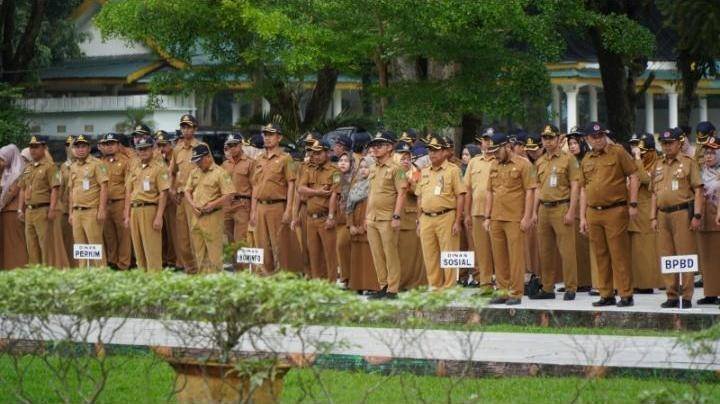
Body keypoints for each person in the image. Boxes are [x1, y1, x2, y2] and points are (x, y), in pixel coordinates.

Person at [579, 122, 639, 307]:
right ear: (587, 139)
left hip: (615, 209)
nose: (598, 139)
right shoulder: (586, 158)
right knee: (600, 254)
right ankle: (606, 294)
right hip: (594, 212)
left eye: (600, 136)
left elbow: (634, 175)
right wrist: (582, 217)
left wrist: (634, 203)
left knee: (618, 254)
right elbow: (583, 189)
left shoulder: (618, 152)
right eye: (594, 137)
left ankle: (626, 294)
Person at [651, 129, 704, 309]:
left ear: (679, 144)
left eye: (670, 142)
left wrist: (697, 215)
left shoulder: (689, 163)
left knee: (685, 254)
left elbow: (698, 189)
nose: (667, 146)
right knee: (666, 255)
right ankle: (672, 294)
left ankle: (687, 295)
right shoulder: (657, 164)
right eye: (664, 143)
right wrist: (652, 217)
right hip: (662, 214)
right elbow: (653, 194)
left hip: (682, 213)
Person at [484, 132, 536, 305]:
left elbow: (530, 191)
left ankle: (516, 292)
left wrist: (527, 216)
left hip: (515, 217)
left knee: (515, 257)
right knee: (499, 257)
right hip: (496, 217)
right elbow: (489, 192)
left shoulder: (523, 165)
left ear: (507, 147)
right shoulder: (493, 165)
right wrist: (487, 216)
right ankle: (503, 290)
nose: (495, 155)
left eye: (497, 151)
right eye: (492, 152)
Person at [531, 124, 580, 300]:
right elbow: (537, 187)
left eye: (551, 137)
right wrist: (534, 212)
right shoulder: (539, 161)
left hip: (561, 207)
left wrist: (571, 210)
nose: (548, 141)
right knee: (545, 251)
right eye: (545, 138)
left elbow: (575, 186)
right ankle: (547, 288)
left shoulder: (569, 159)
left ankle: (571, 287)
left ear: (559, 139)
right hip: (544, 208)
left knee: (567, 251)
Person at [250, 123, 302, 274]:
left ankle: (280, 276)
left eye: (271, 134)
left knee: (279, 244)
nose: (267, 138)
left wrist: (289, 210)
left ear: (279, 137)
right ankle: (264, 277)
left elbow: (291, 184)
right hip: (260, 206)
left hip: (277, 206)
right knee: (262, 245)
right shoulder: (259, 159)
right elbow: (255, 185)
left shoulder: (287, 159)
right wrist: (253, 211)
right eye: (265, 134)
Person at [416, 135, 466, 290]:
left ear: (445, 152)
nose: (432, 154)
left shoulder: (453, 170)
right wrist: (419, 220)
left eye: (436, 150)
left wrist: (458, 221)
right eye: (430, 150)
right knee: (429, 254)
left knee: (449, 253)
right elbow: (419, 196)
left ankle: (450, 286)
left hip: (446, 216)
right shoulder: (424, 171)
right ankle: (435, 286)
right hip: (426, 218)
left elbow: (460, 196)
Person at [365, 131, 407, 299]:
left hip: (388, 218)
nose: (375, 148)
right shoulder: (373, 167)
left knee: (390, 253)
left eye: (379, 145)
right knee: (377, 254)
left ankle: (393, 288)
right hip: (372, 217)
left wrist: (396, 216)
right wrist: (366, 216)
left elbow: (402, 192)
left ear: (390, 147)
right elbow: (371, 193)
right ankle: (382, 285)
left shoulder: (397, 169)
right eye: (374, 145)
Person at [18, 136, 68, 267]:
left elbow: (55, 189)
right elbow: (22, 189)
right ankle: (36, 273)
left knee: (45, 244)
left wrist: (52, 209)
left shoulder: (50, 167)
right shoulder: (28, 168)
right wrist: (20, 209)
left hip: (43, 210)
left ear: (44, 148)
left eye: (36, 147)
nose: (33, 150)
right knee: (31, 245)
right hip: (29, 210)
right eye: (31, 147)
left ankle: (47, 271)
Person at [185, 144, 234, 273]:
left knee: (214, 253)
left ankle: (215, 282)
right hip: (196, 217)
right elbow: (187, 191)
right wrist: (192, 204)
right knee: (199, 252)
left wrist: (213, 205)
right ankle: (202, 281)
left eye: (199, 160)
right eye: (195, 161)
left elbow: (229, 194)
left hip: (212, 217)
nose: (197, 164)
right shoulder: (195, 172)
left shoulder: (220, 173)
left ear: (208, 157)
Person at [123, 137, 170, 271]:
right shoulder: (134, 168)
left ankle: (154, 281)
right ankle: (143, 281)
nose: (143, 151)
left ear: (152, 149)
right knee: (138, 250)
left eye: (146, 148)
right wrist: (127, 215)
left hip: (150, 209)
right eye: (140, 149)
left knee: (152, 250)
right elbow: (128, 192)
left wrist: (159, 216)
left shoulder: (159, 168)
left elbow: (163, 193)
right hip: (134, 210)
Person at [296, 139, 340, 281]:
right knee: (313, 253)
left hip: (325, 216)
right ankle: (316, 283)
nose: (316, 156)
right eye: (314, 154)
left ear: (327, 152)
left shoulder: (335, 171)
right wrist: (318, 192)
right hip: (310, 218)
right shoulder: (309, 169)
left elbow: (335, 194)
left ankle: (331, 284)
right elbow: (300, 188)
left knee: (329, 254)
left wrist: (331, 216)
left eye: (319, 153)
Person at [628, 133, 664, 292]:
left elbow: (646, 180)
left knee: (649, 249)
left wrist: (636, 160)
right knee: (637, 249)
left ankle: (649, 283)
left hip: (648, 209)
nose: (641, 154)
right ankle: (639, 282)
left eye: (643, 151)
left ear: (650, 150)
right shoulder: (641, 163)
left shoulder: (657, 163)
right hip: (637, 211)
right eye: (638, 151)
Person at [68, 135, 109, 267]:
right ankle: (84, 276)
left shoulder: (97, 164)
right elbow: (71, 191)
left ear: (89, 148)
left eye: (83, 146)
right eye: (77, 146)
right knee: (80, 248)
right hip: (77, 212)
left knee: (95, 246)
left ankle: (100, 275)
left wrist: (102, 210)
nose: (80, 149)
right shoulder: (73, 167)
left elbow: (104, 187)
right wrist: (70, 212)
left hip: (91, 211)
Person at [169, 114, 203, 273]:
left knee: (196, 235)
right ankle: (191, 270)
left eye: (189, 126)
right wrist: (172, 188)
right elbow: (172, 172)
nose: (185, 130)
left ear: (195, 128)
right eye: (183, 127)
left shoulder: (202, 147)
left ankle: (201, 269)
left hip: (197, 197)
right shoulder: (177, 150)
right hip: (182, 198)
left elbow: (209, 170)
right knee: (182, 239)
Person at [463, 130, 496, 295]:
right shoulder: (473, 162)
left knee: (499, 250)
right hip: (477, 212)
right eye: (485, 140)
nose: (488, 143)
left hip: (497, 213)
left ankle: (506, 283)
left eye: (491, 140)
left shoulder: (500, 161)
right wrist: (467, 214)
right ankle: (485, 284)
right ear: (481, 142)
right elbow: (467, 190)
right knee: (481, 251)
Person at [566, 129, 594, 292]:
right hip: (572, 206)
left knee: (585, 245)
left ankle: (589, 280)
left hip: (587, 204)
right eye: (570, 144)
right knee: (575, 246)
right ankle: (578, 281)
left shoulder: (588, 159)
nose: (572, 147)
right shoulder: (570, 161)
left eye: (575, 143)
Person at [347, 156, 380, 292]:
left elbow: (375, 205)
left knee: (370, 255)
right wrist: (350, 225)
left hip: (369, 223)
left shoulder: (375, 184)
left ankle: (372, 286)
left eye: (367, 167)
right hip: (355, 223)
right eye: (361, 167)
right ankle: (357, 285)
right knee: (357, 255)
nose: (363, 170)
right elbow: (349, 207)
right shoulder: (355, 185)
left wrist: (366, 223)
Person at [396, 142, 426, 290]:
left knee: (409, 253)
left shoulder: (416, 172)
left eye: (408, 157)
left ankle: (409, 283)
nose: (405, 161)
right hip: (392, 217)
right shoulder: (394, 171)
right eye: (402, 157)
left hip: (410, 217)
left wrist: (409, 182)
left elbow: (417, 191)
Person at [99, 133, 131, 270]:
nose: (110, 147)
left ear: (118, 145)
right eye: (107, 144)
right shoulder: (101, 163)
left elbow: (129, 186)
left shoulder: (125, 162)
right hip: (106, 204)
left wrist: (126, 208)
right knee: (109, 234)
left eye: (112, 143)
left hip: (120, 202)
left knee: (123, 234)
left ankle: (123, 263)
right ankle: (112, 261)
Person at [222, 134, 255, 251]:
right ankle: (236, 268)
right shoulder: (225, 165)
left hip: (242, 204)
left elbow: (254, 188)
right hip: (227, 205)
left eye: (235, 145)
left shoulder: (250, 163)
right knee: (230, 241)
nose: (232, 148)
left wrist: (253, 211)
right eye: (229, 145)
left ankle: (243, 269)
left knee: (240, 240)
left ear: (241, 145)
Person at [698, 137, 720, 305]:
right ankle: (710, 292)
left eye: (713, 153)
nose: (709, 156)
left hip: (718, 219)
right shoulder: (701, 171)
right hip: (704, 220)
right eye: (706, 153)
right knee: (707, 258)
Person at [0, 144, 28, 269]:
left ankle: (18, 268)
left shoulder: (18, 172)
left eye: (2, 159)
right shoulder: (6, 173)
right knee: (7, 244)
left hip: (13, 212)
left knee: (15, 243)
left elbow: (11, 192)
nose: (0, 162)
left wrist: (1, 204)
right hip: (5, 212)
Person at [155, 131, 177, 268]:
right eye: (159, 145)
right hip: (159, 199)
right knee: (160, 232)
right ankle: (163, 260)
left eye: (164, 145)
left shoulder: (176, 157)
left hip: (173, 200)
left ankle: (174, 260)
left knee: (173, 232)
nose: (162, 148)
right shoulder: (157, 159)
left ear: (171, 144)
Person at [335, 152, 354, 286]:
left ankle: (347, 277)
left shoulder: (355, 178)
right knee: (338, 248)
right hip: (336, 218)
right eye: (340, 160)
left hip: (350, 219)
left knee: (342, 246)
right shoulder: (336, 176)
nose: (342, 163)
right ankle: (343, 276)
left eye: (346, 161)